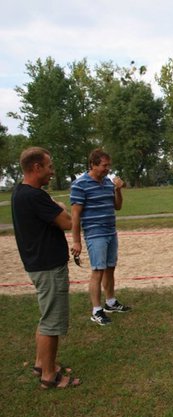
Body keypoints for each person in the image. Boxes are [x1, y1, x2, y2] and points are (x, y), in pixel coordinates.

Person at [12, 147, 81, 389]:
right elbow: (67, 221)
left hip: (38, 264)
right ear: (36, 167)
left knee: (45, 317)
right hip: (48, 267)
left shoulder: (21, 192)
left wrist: (56, 204)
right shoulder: (34, 196)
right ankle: (50, 375)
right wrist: (61, 206)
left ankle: (42, 363)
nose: (52, 171)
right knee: (52, 321)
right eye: (49, 166)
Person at [71, 149, 130, 326]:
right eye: (104, 165)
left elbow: (117, 207)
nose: (107, 169)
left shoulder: (107, 182)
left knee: (110, 268)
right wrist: (76, 241)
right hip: (95, 233)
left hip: (111, 231)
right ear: (93, 164)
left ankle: (110, 302)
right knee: (98, 270)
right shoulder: (80, 185)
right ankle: (96, 310)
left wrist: (118, 190)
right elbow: (75, 216)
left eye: (108, 165)